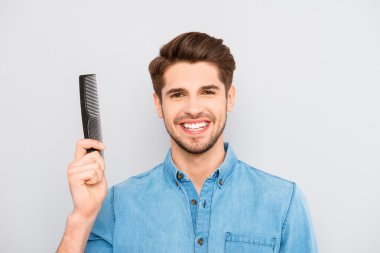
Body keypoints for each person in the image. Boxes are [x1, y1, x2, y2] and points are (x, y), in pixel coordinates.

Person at [56, 32, 318, 253]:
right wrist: (81, 218)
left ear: (229, 98)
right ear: (159, 104)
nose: (193, 109)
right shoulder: (116, 205)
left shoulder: (284, 202)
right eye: (178, 94)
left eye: (207, 92)